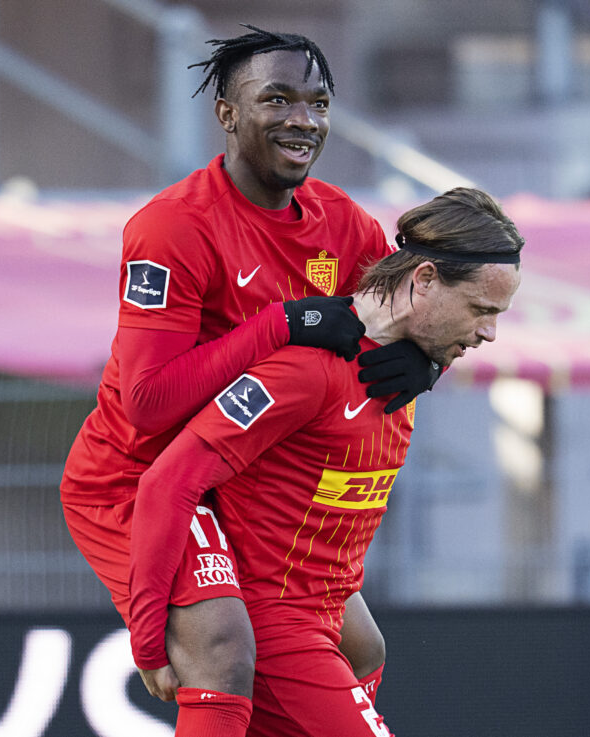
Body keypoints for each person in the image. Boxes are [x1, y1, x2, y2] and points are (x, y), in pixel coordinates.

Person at [59, 24, 440, 733]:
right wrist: (279, 325)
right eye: (278, 99)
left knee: (359, 648)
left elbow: (414, 314)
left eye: (319, 103)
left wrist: (426, 361)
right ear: (227, 114)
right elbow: (146, 405)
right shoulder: (174, 228)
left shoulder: (347, 227)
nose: (304, 120)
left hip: (242, 476)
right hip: (139, 477)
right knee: (224, 647)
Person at [130, 187, 525, 737]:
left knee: (369, 652)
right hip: (281, 630)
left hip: (329, 619)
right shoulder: (307, 373)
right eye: (481, 310)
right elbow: (166, 483)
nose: (489, 332)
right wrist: (148, 639)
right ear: (426, 280)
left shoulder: (402, 368)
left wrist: (428, 370)